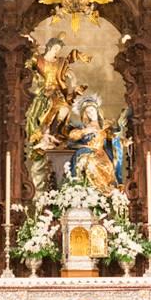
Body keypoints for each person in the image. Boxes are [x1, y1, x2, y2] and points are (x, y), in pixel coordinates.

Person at [25, 34, 91, 194]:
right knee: (49, 107)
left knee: (64, 109)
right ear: (48, 47)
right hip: (43, 94)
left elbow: (69, 71)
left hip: (57, 93)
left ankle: (55, 134)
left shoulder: (61, 62)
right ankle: (44, 133)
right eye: (55, 48)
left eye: (59, 49)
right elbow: (26, 65)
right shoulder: (38, 59)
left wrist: (73, 83)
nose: (56, 51)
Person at [67, 95, 129, 196]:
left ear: (97, 110)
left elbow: (114, 137)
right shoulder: (83, 126)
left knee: (103, 166)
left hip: (100, 154)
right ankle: (80, 190)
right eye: (87, 112)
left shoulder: (105, 125)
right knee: (86, 161)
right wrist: (85, 131)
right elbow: (72, 135)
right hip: (86, 152)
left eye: (91, 110)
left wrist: (124, 141)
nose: (90, 113)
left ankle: (104, 192)